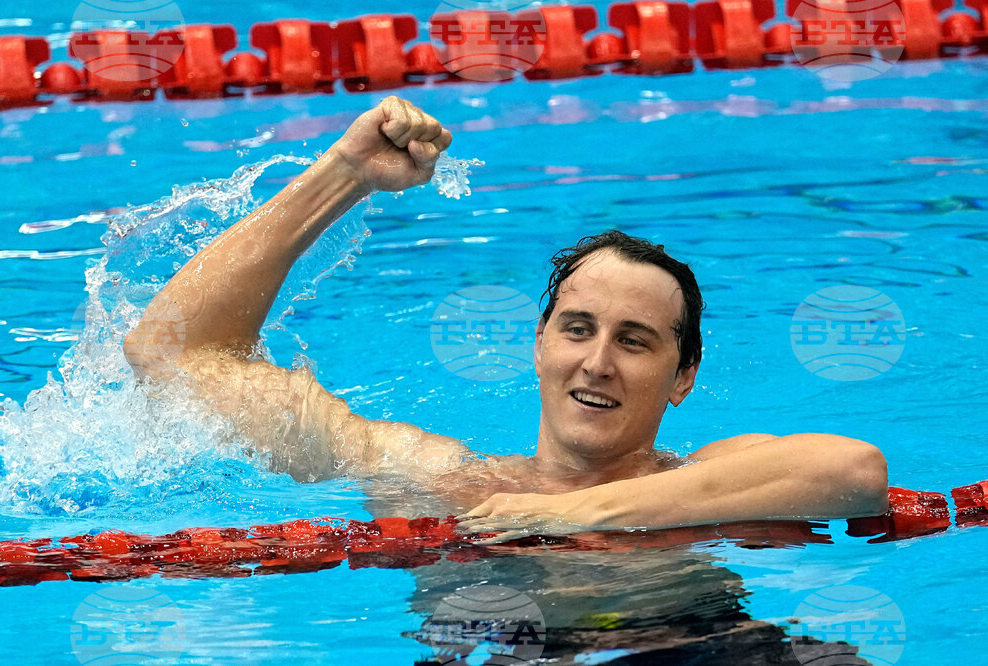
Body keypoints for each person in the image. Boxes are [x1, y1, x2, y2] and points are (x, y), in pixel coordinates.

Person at [123, 96, 889, 543]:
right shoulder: (432, 480)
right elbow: (171, 353)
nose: (597, 363)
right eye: (579, 329)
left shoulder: (708, 477)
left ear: (682, 377)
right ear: (539, 345)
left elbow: (855, 473)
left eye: (635, 340)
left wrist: (583, 511)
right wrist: (341, 178)